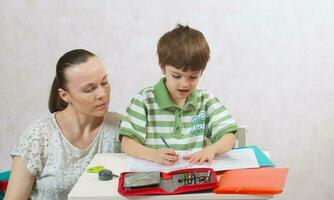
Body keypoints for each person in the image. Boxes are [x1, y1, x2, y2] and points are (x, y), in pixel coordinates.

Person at [5, 49, 121, 200]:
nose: (102, 94)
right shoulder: (39, 136)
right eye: (89, 89)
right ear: (65, 95)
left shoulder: (121, 128)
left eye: (104, 82)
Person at [120, 24, 238, 166]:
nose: (184, 84)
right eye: (176, 76)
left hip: (194, 176)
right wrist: (153, 155)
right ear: (162, 67)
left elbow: (229, 137)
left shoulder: (206, 101)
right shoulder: (144, 100)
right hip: (153, 177)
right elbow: (127, 142)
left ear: (201, 72)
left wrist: (212, 149)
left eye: (193, 77)